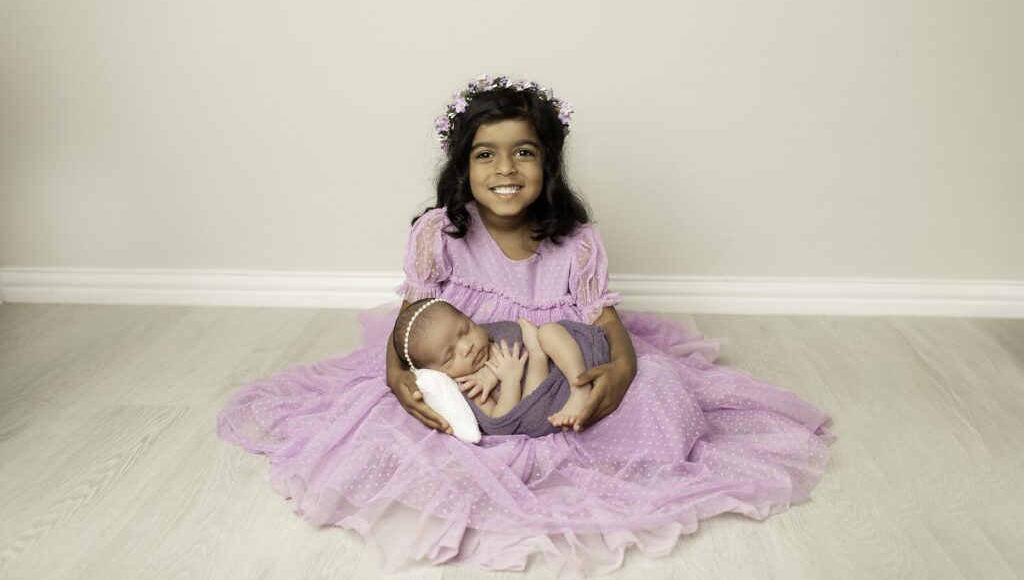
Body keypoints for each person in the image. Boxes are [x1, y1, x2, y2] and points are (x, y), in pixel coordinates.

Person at [218, 75, 835, 577]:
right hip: (470, 369)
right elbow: (412, 316)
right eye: (485, 154)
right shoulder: (443, 234)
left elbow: (604, 321)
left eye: (524, 152)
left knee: (654, 389)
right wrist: (395, 374)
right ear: (463, 167)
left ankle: (607, 459)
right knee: (411, 423)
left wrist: (619, 372)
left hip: (562, 365)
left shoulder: (575, 243)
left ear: (548, 164)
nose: (504, 168)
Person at [392, 297, 612, 434]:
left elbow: (519, 334)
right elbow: (502, 422)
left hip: (573, 365)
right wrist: (510, 381)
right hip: (547, 408)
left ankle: (579, 386)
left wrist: (494, 369)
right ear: (437, 372)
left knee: (549, 331)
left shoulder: (495, 335)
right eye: (450, 355)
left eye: (465, 329)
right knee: (531, 417)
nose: (467, 346)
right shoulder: (469, 387)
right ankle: (551, 367)